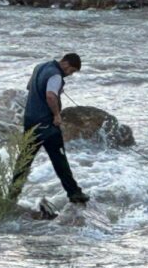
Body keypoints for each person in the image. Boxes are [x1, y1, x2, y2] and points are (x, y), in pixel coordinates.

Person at [11, 53, 90, 204]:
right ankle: (74, 193)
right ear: (66, 64)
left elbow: (30, 87)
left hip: (30, 119)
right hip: (47, 124)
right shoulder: (55, 75)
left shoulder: (39, 67)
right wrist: (57, 115)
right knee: (59, 159)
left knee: (24, 159)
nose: (69, 75)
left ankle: (12, 194)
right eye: (71, 71)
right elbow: (50, 96)